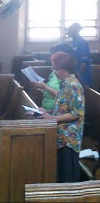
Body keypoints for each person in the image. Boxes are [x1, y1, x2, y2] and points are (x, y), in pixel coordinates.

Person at [45, 51, 87, 183]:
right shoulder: (64, 83)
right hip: (61, 134)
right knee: (61, 173)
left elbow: (76, 112)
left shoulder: (73, 85)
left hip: (69, 137)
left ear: (62, 70)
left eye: (55, 69)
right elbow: (62, 107)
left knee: (67, 176)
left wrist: (53, 119)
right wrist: (47, 111)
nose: (54, 72)